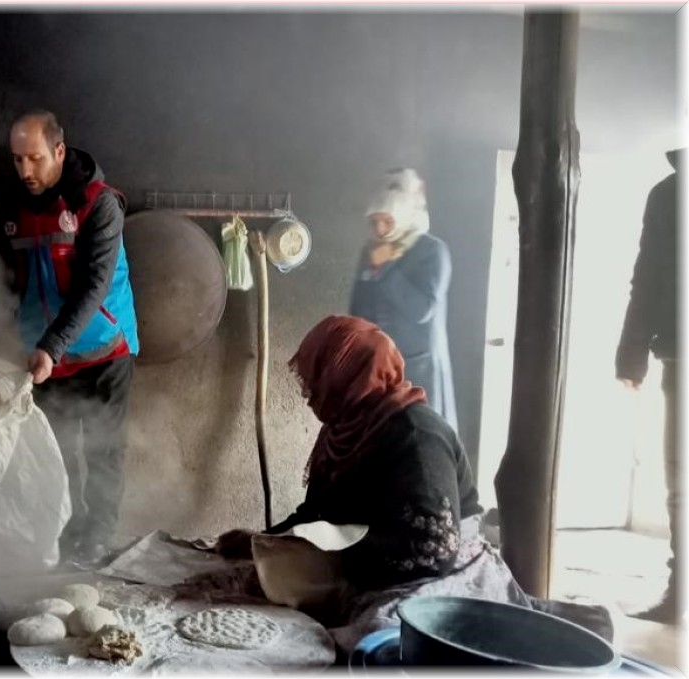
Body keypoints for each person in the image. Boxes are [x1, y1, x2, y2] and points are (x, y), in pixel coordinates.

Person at [217, 316, 610, 654]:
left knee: (380, 637)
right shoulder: (343, 431)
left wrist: (331, 558)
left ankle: (565, 622)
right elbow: (317, 511)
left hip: (442, 565)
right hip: (375, 555)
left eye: (315, 378)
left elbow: (431, 547)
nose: (307, 393)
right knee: (255, 588)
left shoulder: (416, 434)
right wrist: (265, 539)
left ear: (348, 375)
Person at [0, 110, 139, 565]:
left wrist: (51, 346)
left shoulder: (99, 204)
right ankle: (65, 531)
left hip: (103, 348)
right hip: (43, 353)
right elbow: (2, 277)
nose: (25, 171)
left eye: (34, 158)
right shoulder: (13, 206)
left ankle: (98, 536)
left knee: (101, 449)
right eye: (17, 160)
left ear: (58, 151)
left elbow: (93, 287)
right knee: (53, 451)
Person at [615, 148, 682, 624]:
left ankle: (681, 591)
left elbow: (648, 276)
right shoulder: (668, 193)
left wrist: (632, 353)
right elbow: (649, 275)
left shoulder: (669, 193)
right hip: (679, 351)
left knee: (681, 478)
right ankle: (681, 590)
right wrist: (632, 352)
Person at [349, 169, 458, 429]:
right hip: (379, 365)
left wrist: (386, 267)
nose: (380, 229)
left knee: (420, 438)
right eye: (374, 222)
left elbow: (422, 309)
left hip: (417, 369)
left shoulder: (433, 251)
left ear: (404, 217)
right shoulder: (372, 250)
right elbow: (358, 305)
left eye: (387, 221)